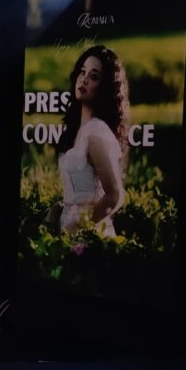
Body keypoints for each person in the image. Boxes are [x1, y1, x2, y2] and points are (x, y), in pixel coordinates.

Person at [56, 45, 128, 237]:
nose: (84, 79)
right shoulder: (79, 130)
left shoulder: (95, 132)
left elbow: (115, 196)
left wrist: (75, 229)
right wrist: (61, 207)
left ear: (105, 88)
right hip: (70, 229)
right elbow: (83, 192)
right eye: (82, 72)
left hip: (89, 234)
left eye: (94, 76)